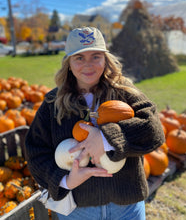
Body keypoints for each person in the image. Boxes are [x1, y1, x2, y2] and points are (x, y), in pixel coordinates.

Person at [25, 26, 165, 220]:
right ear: (68, 63)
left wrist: (107, 138)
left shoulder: (124, 92)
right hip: (78, 211)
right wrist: (65, 181)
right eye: (79, 58)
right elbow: (35, 151)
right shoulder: (52, 102)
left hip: (126, 207)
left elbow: (154, 130)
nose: (88, 64)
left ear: (106, 59)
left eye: (96, 56)